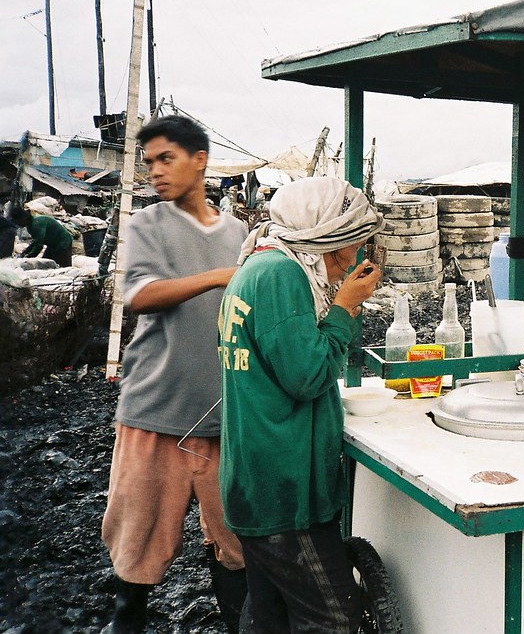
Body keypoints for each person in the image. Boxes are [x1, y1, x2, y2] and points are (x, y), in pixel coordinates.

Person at [101, 115, 249, 633]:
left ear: (199, 159)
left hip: (221, 417)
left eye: (167, 159)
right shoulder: (146, 225)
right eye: (150, 163)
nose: (156, 172)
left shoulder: (238, 233)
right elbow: (138, 294)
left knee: (236, 552)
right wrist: (216, 277)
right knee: (136, 555)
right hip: (155, 413)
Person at [218, 176, 385, 632]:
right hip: (284, 491)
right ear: (323, 239)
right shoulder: (281, 275)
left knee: (269, 610)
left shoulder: (258, 265)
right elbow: (308, 376)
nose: (351, 259)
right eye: (348, 246)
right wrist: (345, 307)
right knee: (333, 617)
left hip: (258, 481)